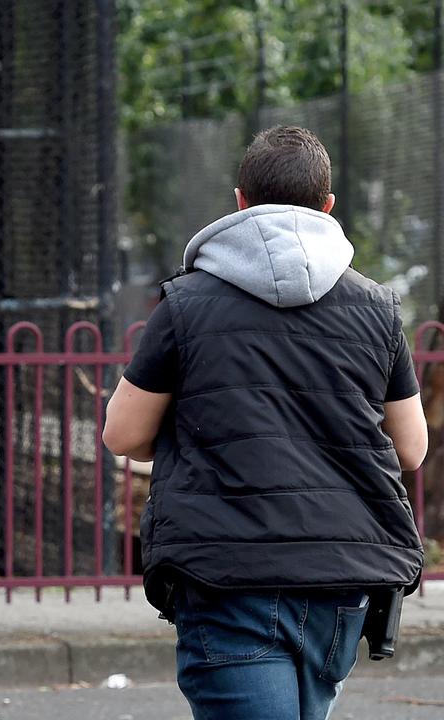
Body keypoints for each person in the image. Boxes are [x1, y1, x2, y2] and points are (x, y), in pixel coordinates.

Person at [103, 125, 427, 720]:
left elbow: (122, 435)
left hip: (229, 575)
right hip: (342, 580)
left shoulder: (186, 304)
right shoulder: (376, 307)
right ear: (328, 206)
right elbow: (411, 447)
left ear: (241, 203)